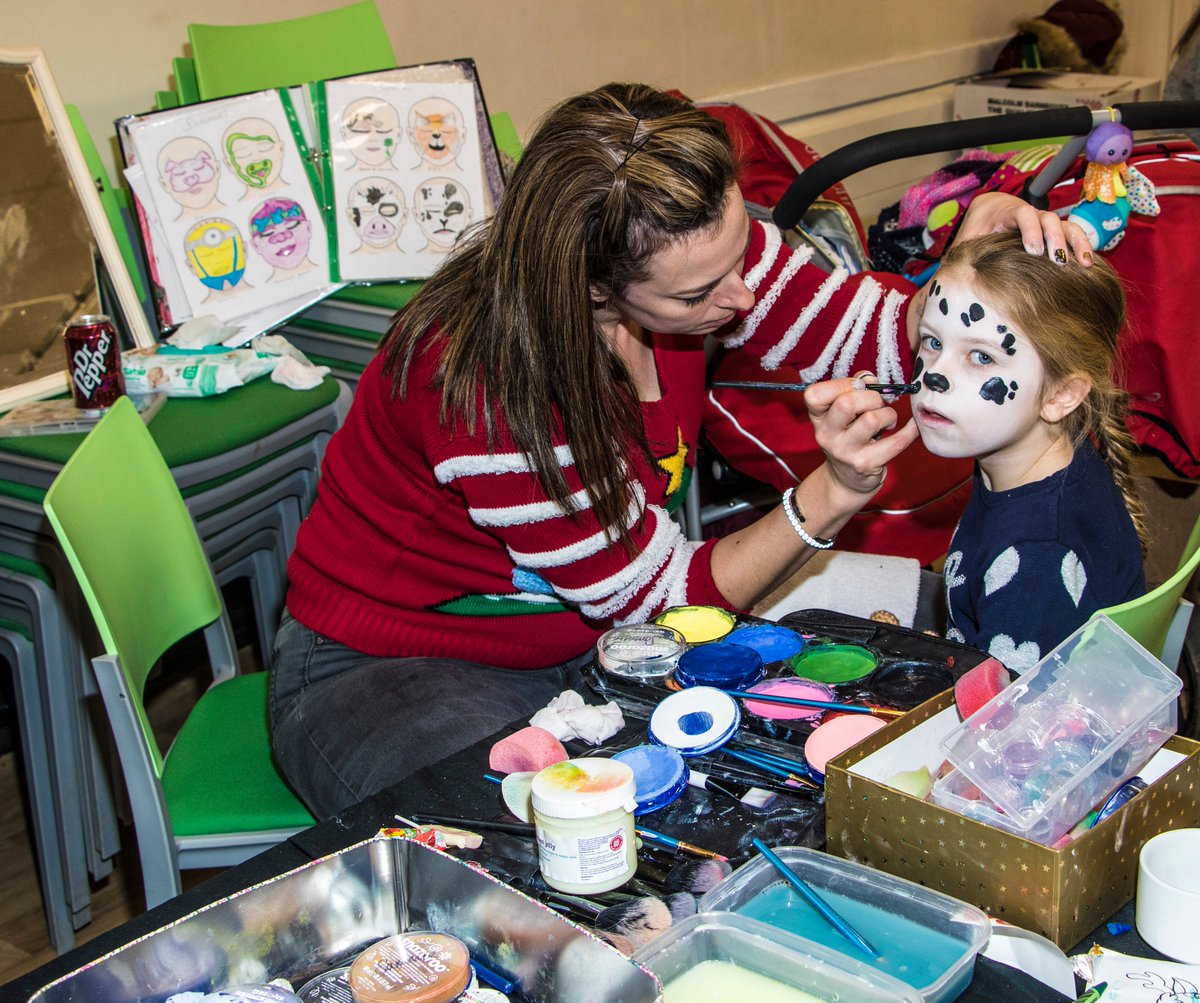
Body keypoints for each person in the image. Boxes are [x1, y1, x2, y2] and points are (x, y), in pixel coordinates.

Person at [270, 83, 1092, 818]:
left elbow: (857, 326)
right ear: (591, 287)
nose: (741, 298)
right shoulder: (487, 386)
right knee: (548, 831)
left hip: (576, 640)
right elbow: (662, 596)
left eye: (742, 258)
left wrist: (957, 283)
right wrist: (830, 495)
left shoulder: (687, 247)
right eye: (701, 295)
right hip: (387, 666)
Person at [911, 230, 1145, 672]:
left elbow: (1004, 720)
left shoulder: (1038, 556)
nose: (935, 376)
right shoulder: (1038, 458)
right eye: (933, 341)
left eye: (981, 358)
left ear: (1061, 394)